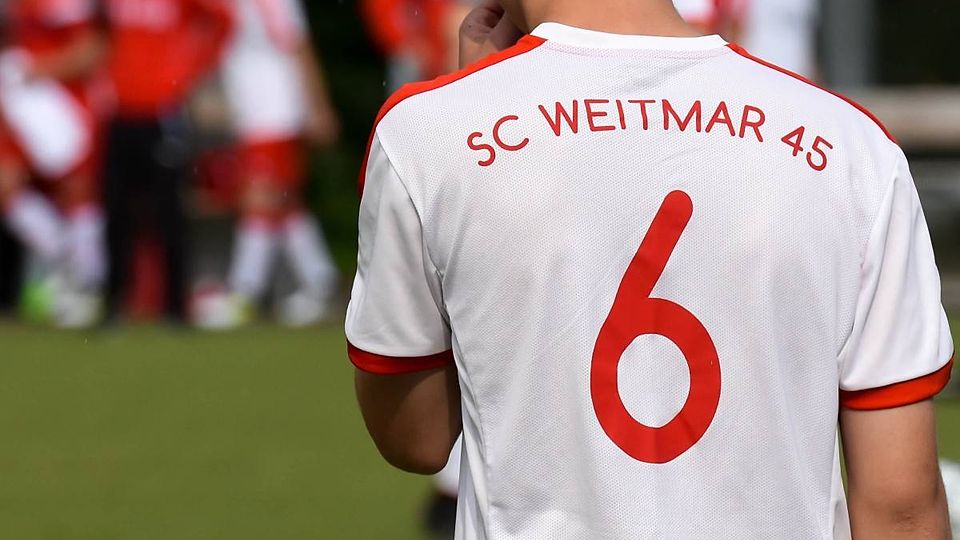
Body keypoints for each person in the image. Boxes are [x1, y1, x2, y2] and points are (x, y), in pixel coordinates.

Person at [346, 0, 953, 538]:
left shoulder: (426, 134)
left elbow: (416, 439)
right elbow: (900, 507)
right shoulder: (852, 147)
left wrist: (476, 96)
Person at [193, 0, 340, 329]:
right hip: (255, 111)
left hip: (274, 110)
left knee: (259, 200)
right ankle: (320, 284)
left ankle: (245, 292)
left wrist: (317, 105)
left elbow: (298, 46)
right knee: (285, 205)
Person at [101, 0, 233, 324]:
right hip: (120, 107)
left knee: (169, 210)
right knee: (117, 209)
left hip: (163, 109)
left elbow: (223, 20)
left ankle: (175, 306)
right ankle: (116, 301)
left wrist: (191, 67)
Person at [0, 0, 107, 327]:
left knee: (76, 190)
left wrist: (40, 69)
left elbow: (91, 49)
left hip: (63, 98)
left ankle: (88, 282)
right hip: (18, 97)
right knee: (5, 183)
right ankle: (65, 258)